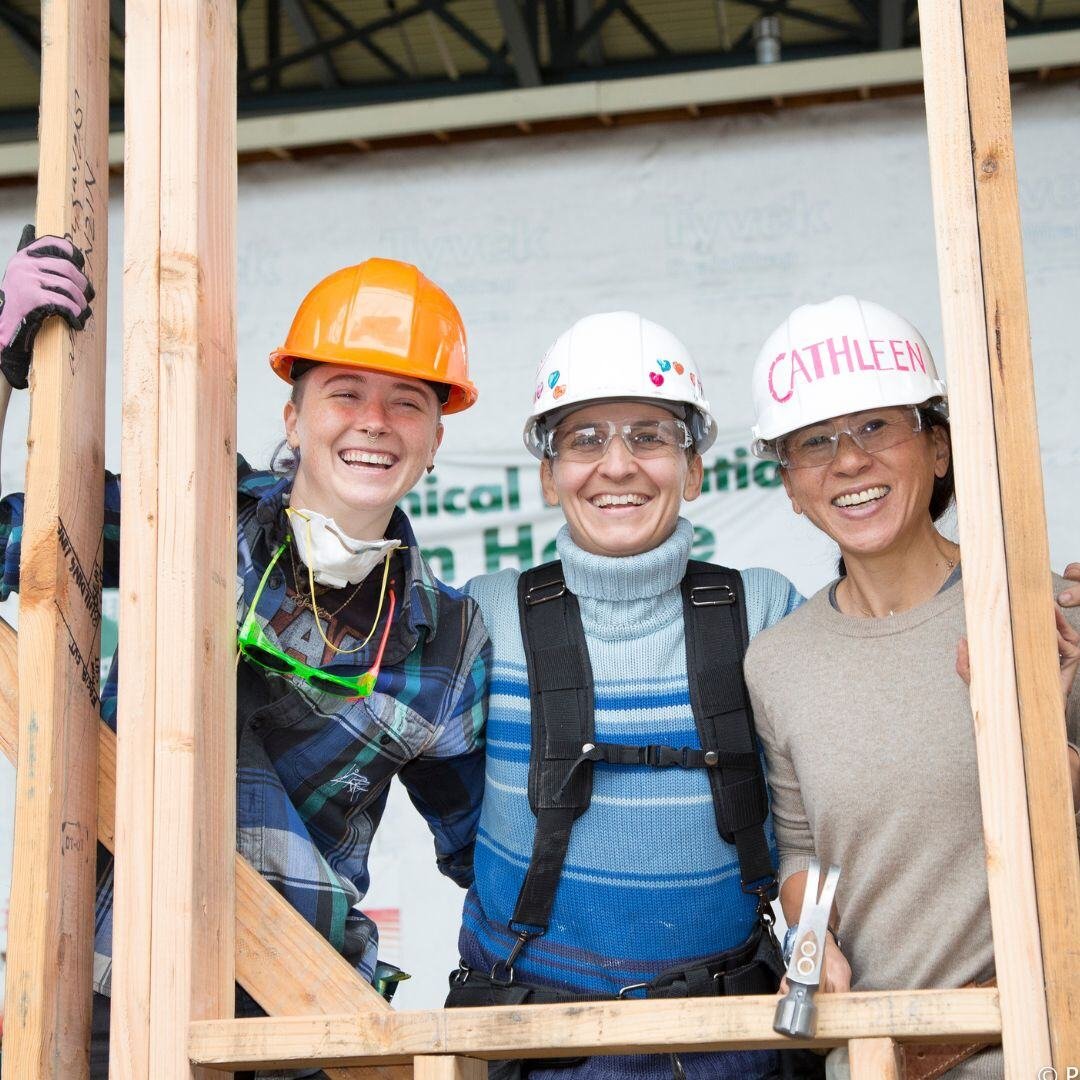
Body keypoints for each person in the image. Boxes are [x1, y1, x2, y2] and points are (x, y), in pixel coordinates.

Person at [0, 234, 491, 1080]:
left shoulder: (446, 639)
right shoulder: (183, 507)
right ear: (293, 417)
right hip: (101, 986)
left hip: (300, 1013)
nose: (375, 422)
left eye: (408, 401)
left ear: (436, 438)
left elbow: (488, 857)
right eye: (345, 393)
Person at [448, 311, 817, 1080]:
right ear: (549, 473)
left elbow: (828, 812)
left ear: (696, 468)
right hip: (533, 1052)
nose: (617, 465)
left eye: (649, 436)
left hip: (732, 1052)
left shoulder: (765, 609)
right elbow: (449, 809)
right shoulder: (483, 616)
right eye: (584, 440)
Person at [742, 295, 1080, 1080]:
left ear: (938, 450)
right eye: (814, 441)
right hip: (875, 1062)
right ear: (790, 486)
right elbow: (800, 846)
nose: (849, 460)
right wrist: (805, 932)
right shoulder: (779, 661)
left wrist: (1025, 728)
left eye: (875, 427)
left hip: (1040, 1045)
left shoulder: (1037, 609)